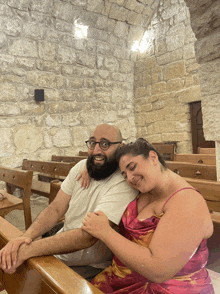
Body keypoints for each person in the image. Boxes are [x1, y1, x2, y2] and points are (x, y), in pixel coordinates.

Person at [0, 124, 138, 281]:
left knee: (28, 280)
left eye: (105, 144)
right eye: (93, 143)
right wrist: (25, 238)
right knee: (14, 265)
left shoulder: (124, 182)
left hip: (89, 265)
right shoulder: (82, 167)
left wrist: (29, 250)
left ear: (121, 147)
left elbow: (88, 237)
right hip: (60, 249)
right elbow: (56, 209)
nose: (97, 150)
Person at [82, 138, 215, 293]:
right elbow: (110, 150)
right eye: (124, 175)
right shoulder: (145, 188)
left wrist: (105, 233)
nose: (130, 178)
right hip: (119, 280)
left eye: (132, 167)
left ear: (153, 157)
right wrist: (87, 169)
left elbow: (159, 270)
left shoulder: (188, 202)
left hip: (168, 289)